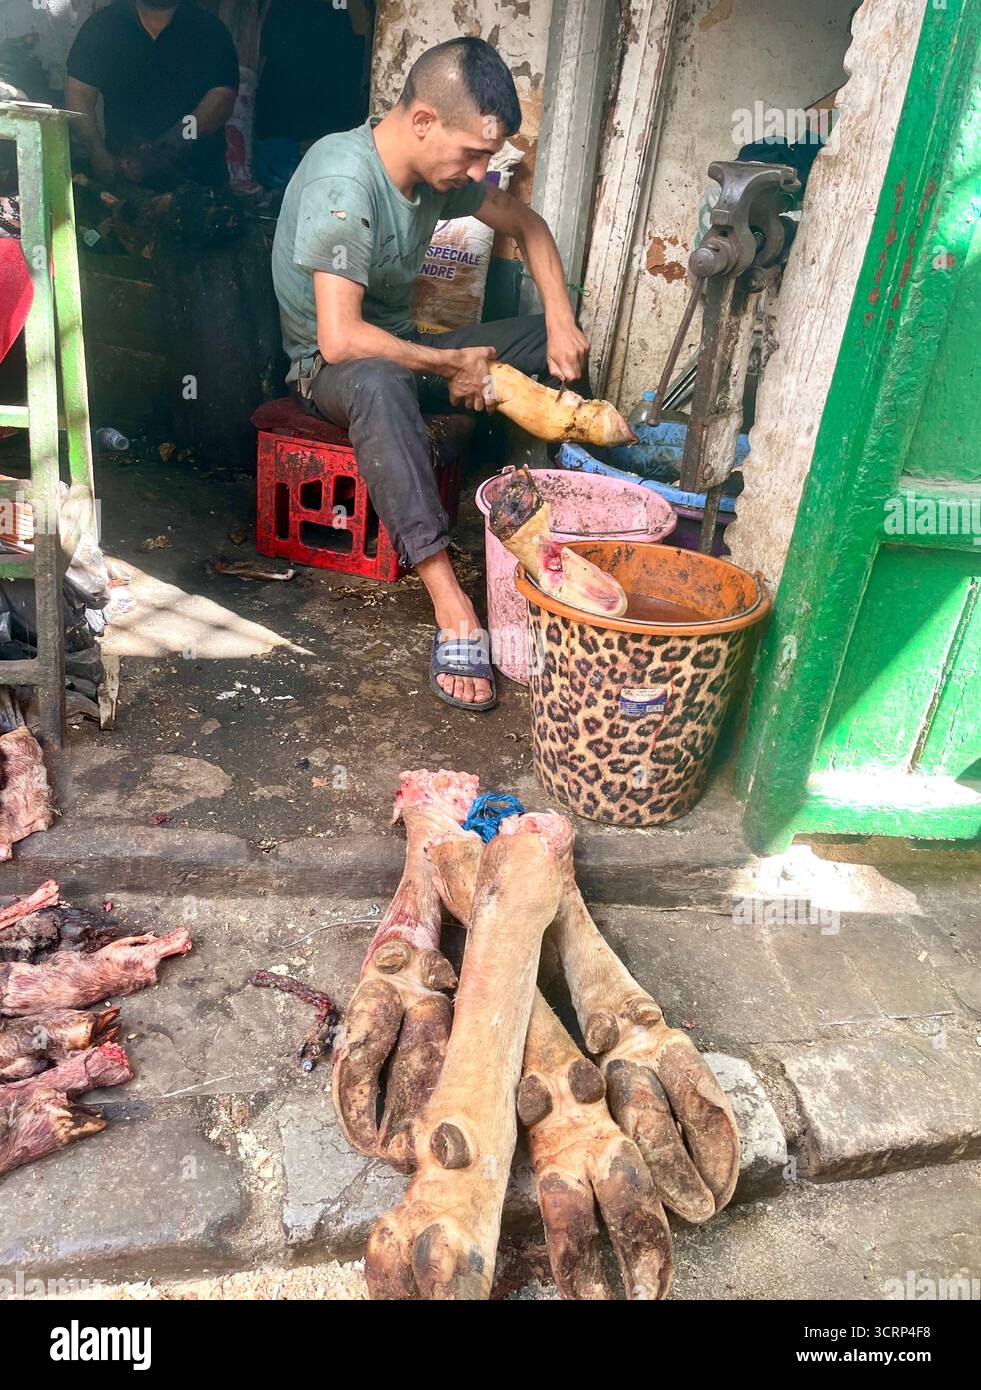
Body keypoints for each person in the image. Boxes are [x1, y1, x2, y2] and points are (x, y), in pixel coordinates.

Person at [272, 36, 589, 712]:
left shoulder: (430, 179)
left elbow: (527, 225)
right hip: (328, 371)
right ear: (421, 121)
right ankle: (453, 609)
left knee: (538, 334)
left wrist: (560, 323)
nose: (479, 171)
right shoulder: (343, 180)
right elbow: (340, 339)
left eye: (488, 157)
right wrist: (449, 364)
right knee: (380, 381)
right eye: (472, 154)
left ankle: (546, 529)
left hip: (405, 347)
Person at [65, 1, 239, 189]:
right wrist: (98, 153)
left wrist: (177, 139)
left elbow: (221, 99)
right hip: (124, 181)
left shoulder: (209, 29)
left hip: (199, 183)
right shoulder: (103, 26)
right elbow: (79, 95)